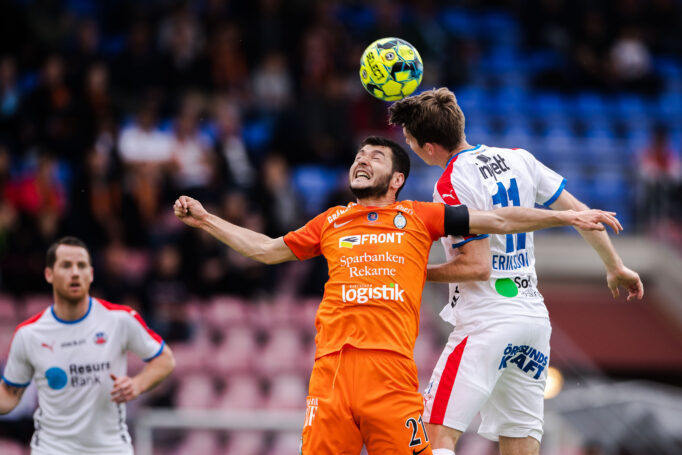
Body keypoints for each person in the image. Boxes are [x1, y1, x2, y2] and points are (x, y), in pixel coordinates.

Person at [173, 136, 620, 455]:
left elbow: (499, 219)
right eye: (359, 156)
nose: (362, 160)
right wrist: (207, 220)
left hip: (391, 376)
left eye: (375, 156)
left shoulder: (421, 216)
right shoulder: (330, 221)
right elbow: (267, 250)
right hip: (331, 375)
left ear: (397, 179)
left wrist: (566, 218)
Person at [388, 88, 644, 455]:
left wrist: (412, 270)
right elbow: (581, 213)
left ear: (428, 147)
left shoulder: (450, 184)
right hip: (532, 322)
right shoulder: (518, 158)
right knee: (520, 444)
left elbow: (476, 266)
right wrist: (615, 266)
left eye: (411, 143)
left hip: (486, 322)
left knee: (434, 436)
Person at [0, 236, 175, 455]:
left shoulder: (120, 319)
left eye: (81, 266)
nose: (75, 273)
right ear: (49, 274)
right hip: (53, 449)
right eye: (66, 265)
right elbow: (10, 395)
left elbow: (165, 359)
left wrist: (137, 384)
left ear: (90, 274)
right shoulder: (29, 334)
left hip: (111, 449)